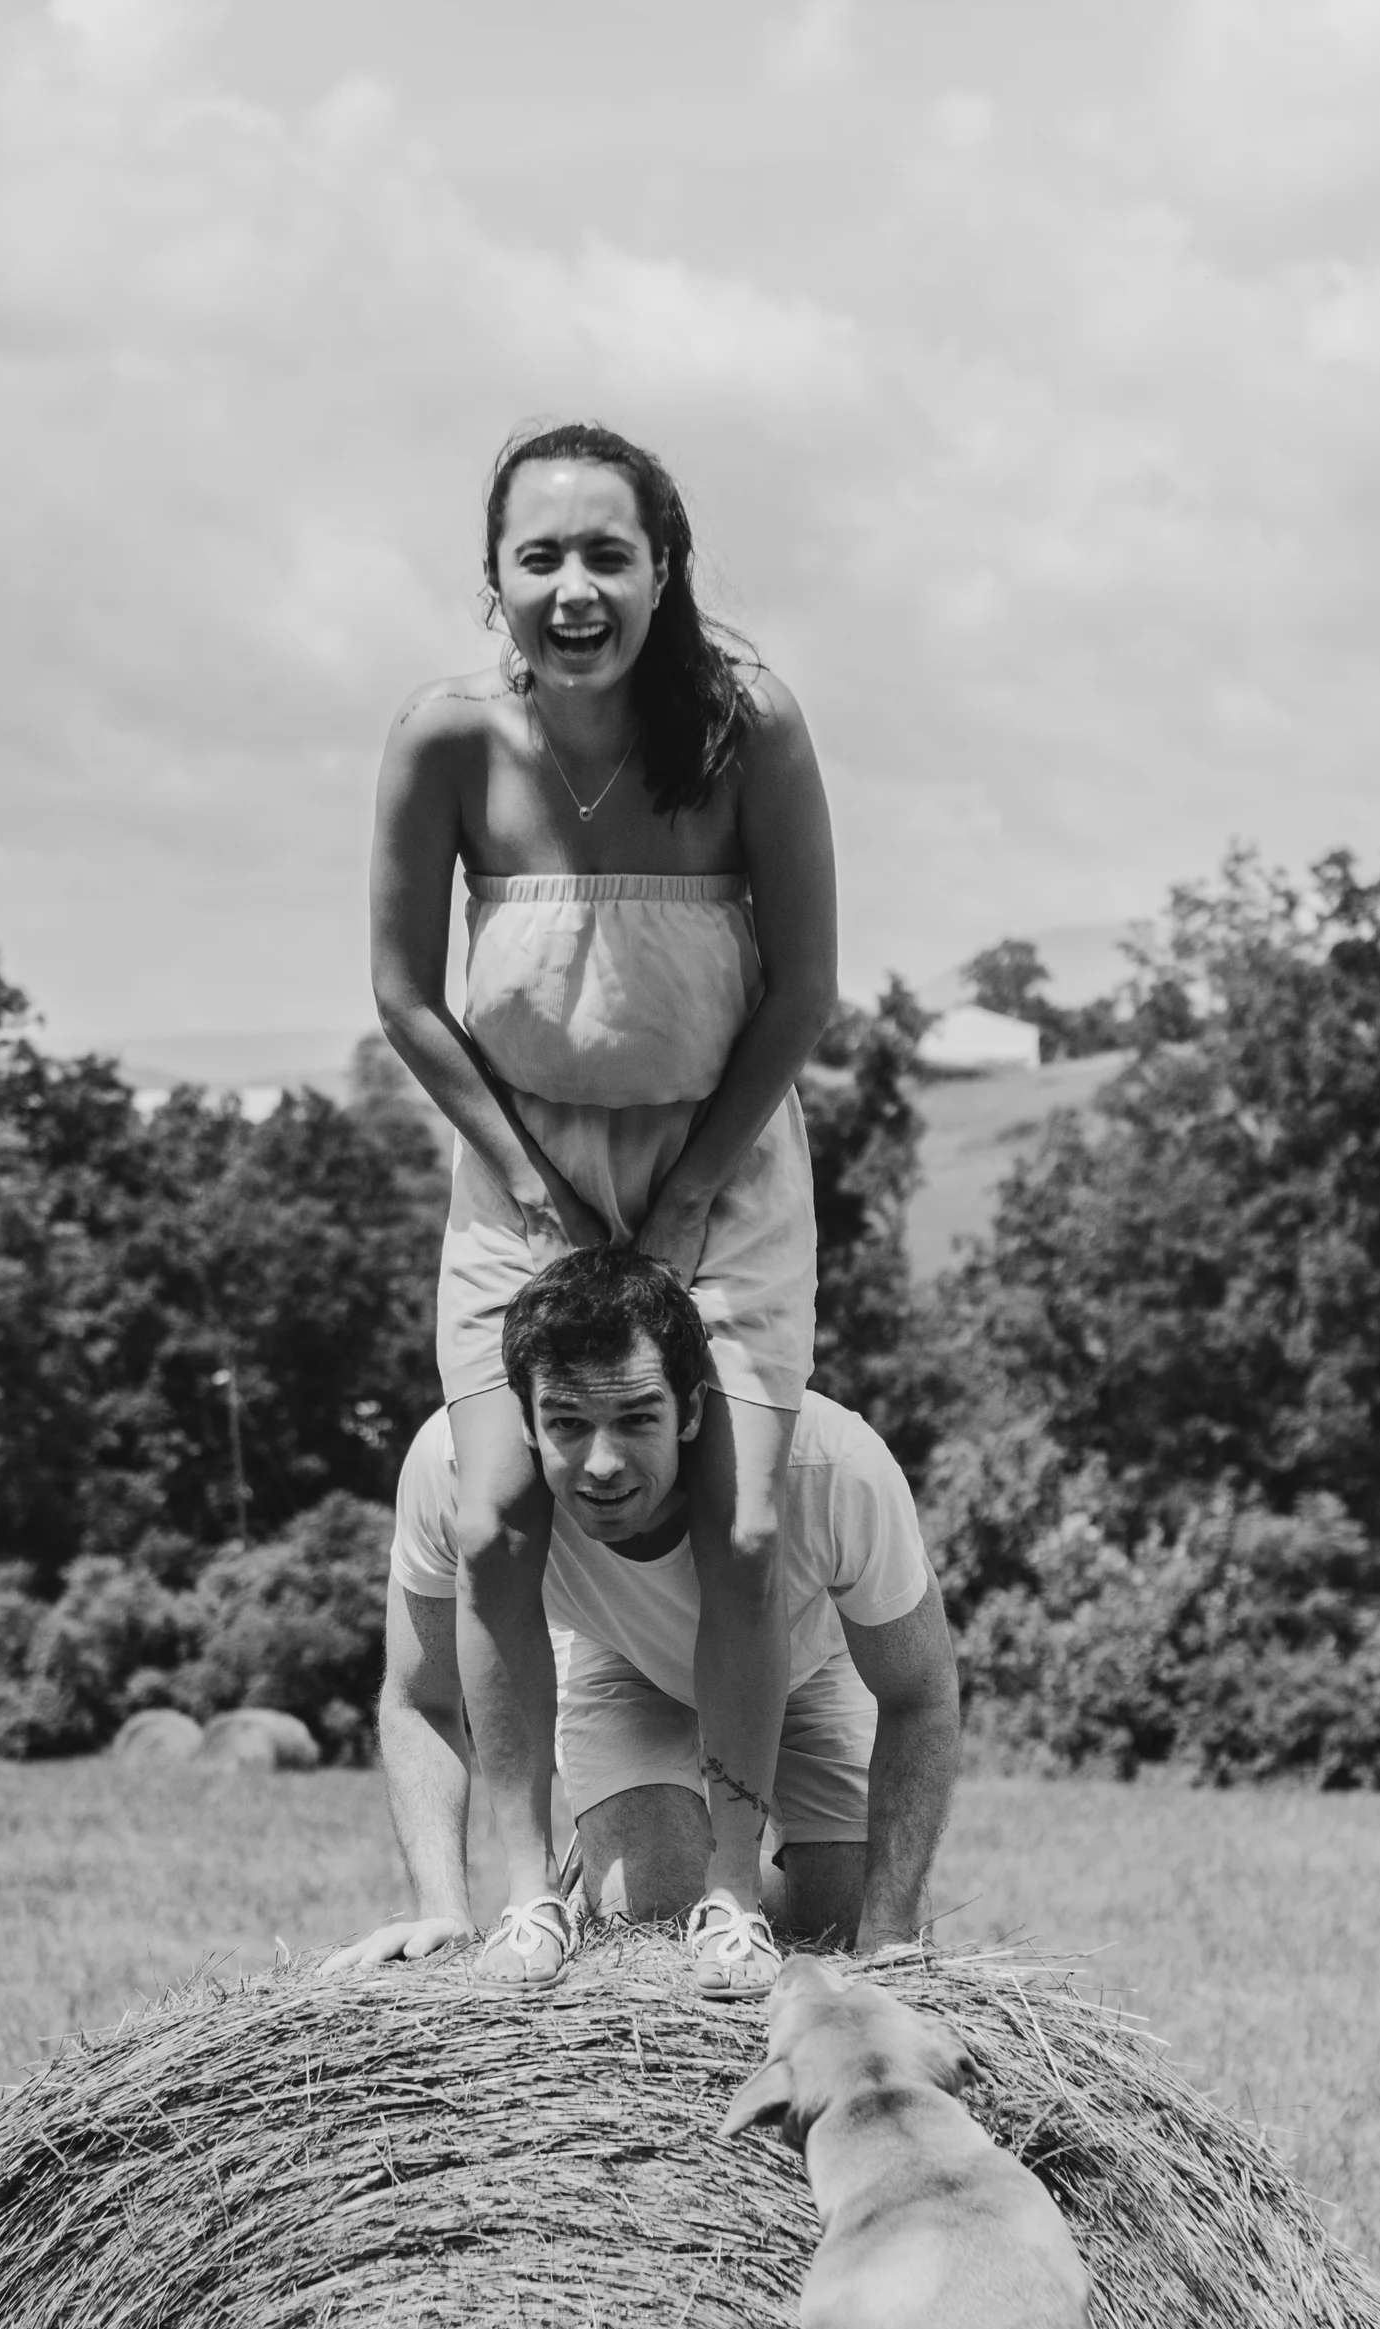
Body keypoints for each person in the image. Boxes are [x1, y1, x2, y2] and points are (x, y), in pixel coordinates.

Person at [369, 418, 839, 1996]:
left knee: (744, 1517)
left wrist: (693, 1186)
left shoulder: (746, 726)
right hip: (518, 1171)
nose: (575, 588)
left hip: (724, 1160)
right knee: (502, 1506)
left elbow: (806, 995)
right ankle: (521, 1894)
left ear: (664, 570)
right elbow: (404, 997)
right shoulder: (443, 740)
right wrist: (522, 1176)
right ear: (494, 579)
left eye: (608, 556)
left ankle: (729, 1893)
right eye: (540, 557)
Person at [328, 1251, 958, 1975]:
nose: (602, 1463)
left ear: (689, 1409)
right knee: (651, 1912)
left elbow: (921, 1695)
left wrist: (887, 1932)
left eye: (635, 1418)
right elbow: (418, 1698)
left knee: (841, 1928)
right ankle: (597, 1873)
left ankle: (761, 1891)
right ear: (524, 1419)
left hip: (806, 1670)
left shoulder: (832, 1467)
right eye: (567, 1422)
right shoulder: (455, 1472)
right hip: (619, 1662)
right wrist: (441, 1908)